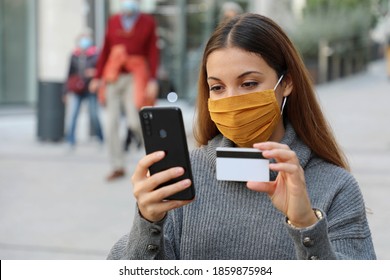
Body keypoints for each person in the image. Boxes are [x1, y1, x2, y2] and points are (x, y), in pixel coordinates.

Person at [107, 13, 376, 260]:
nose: (232, 100)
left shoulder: (336, 187)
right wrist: (147, 221)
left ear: (287, 83)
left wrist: (306, 225)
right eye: (217, 87)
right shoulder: (183, 177)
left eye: (249, 83)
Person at [90, 0, 160, 181]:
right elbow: (105, 50)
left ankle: (155, 162)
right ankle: (117, 166)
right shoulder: (113, 20)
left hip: (135, 76)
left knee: (134, 121)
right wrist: (97, 77)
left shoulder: (147, 22)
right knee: (111, 123)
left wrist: (153, 79)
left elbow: (153, 52)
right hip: (113, 75)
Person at [64, 31, 104, 148]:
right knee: (73, 115)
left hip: (90, 89)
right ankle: (70, 140)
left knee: (94, 115)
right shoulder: (74, 56)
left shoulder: (95, 55)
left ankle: (100, 138)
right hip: (77, 90)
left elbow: (102, 71)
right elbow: (68, 74)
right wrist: (65, 92)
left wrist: (94, 73)